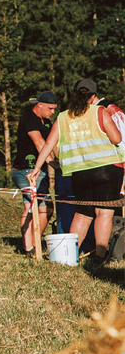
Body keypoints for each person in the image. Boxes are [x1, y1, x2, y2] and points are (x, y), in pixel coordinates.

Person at [28, 79, 124, 264]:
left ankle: (69, 256)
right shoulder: (99, 111)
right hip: (107, 169)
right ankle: (99, 257)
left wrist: (36, 168)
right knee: (103, 213)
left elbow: (49, 144)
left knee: (82, 213)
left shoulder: (63, 117)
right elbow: (116, 137)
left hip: (79, 173)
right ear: (93, 96)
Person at [10, 91, 58, 255]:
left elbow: (53, 143)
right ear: (40, 105)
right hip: (26, 170)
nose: (53, 112)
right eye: (50, 108)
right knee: (32, 206)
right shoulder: (29, 118)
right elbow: (40, 143)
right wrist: (55, 165)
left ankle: (34, 242)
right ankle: (29, 247)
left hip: (39, 170)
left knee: (47, 208)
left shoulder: (46, 121)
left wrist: (62, 161)